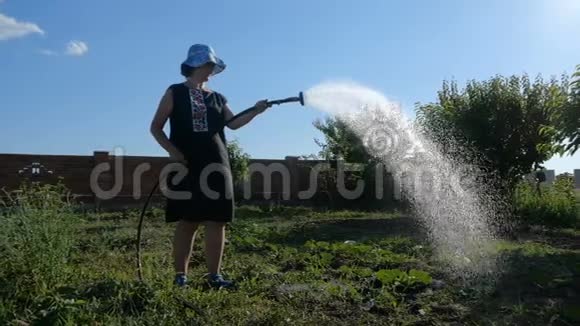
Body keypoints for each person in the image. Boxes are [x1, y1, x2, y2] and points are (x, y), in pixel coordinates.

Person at [150, 44, 271, 288]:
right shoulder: (175, 92)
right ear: (196, 65)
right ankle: (180, 278)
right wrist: (173, 152)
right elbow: (156, 127)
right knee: (188, 221)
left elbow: (233, 124)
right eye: (208, 65)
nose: (211, 70)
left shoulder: (217, 97)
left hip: (217, 164)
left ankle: (214, 277)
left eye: (213, 67)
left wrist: (256, 111)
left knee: (217, 220)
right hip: (187, 164)